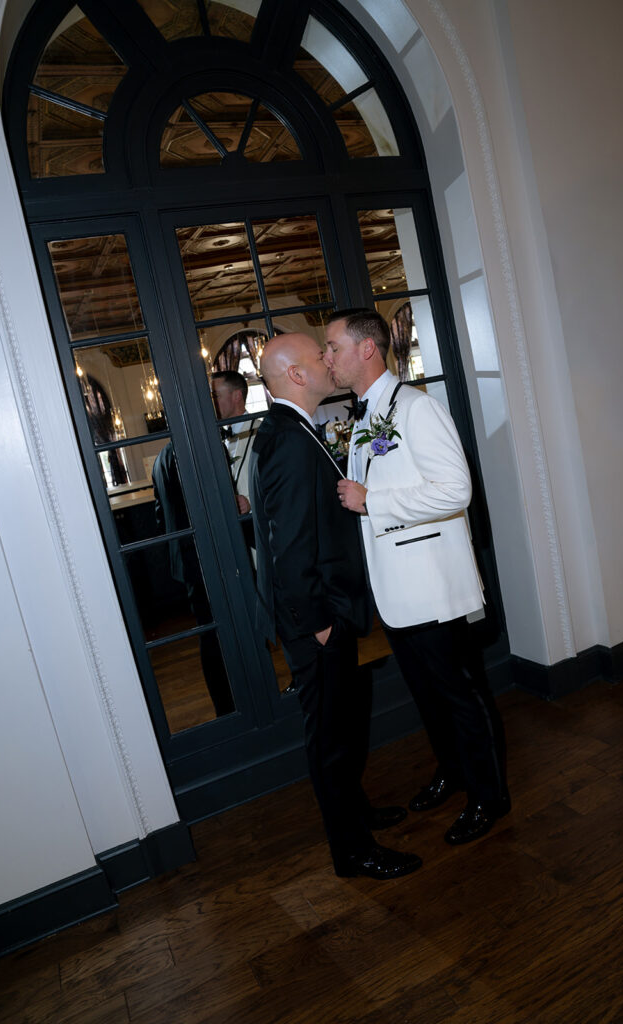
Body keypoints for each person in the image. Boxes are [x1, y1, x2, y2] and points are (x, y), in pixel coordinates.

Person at [324, 309, 509, 846]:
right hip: (395, 590)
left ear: (367, 349)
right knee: (428, 694)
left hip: (433, 586)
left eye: (334, 347)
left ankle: (490, 795)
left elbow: (457, 490)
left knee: (460, 694)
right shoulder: (362, 419)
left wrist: (374, 500)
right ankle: (452, 771)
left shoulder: (418, 408)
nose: (328, 358)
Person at [249, 331, 422, 879]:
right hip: (317, 619)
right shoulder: (289, 440)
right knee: (330, 740)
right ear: (296, 376)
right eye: (319, 355)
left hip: (323, 612)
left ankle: (359, 815)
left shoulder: (290, 429)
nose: (329, 360)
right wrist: (319, 622)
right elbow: (289, 547)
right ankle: (352, 851)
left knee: (342, 730)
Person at [152, 441, 235, 717]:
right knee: (224, 633)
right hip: (209, 558)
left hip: (186, 562)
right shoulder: (201, 447)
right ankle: (231, 704)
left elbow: (159, 514)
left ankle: (225, 706)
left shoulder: (160, 459)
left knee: (209, 633)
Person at [210, 370, 256, 514]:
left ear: (237, 396)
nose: (211, 403)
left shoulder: (262, 431)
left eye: (215, 396)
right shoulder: (216, 439)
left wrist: (250, 503)